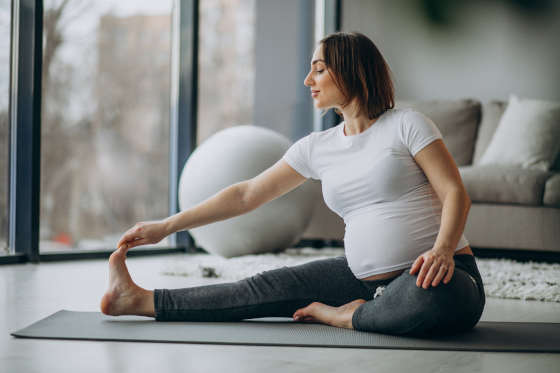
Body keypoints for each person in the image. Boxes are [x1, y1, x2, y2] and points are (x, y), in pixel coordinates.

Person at [100, 31, 485, 337]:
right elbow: (246, 195)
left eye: (318, 69)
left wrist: (442, 251)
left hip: (440, 276)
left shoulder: (407, 124)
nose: (308, 80)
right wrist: (166, 227)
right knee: (261, 288)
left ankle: (347, 318)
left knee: (432, 297)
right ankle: (138, 300)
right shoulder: (318, 147)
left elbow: (455, 193)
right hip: (358, 278)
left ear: (350, 70)